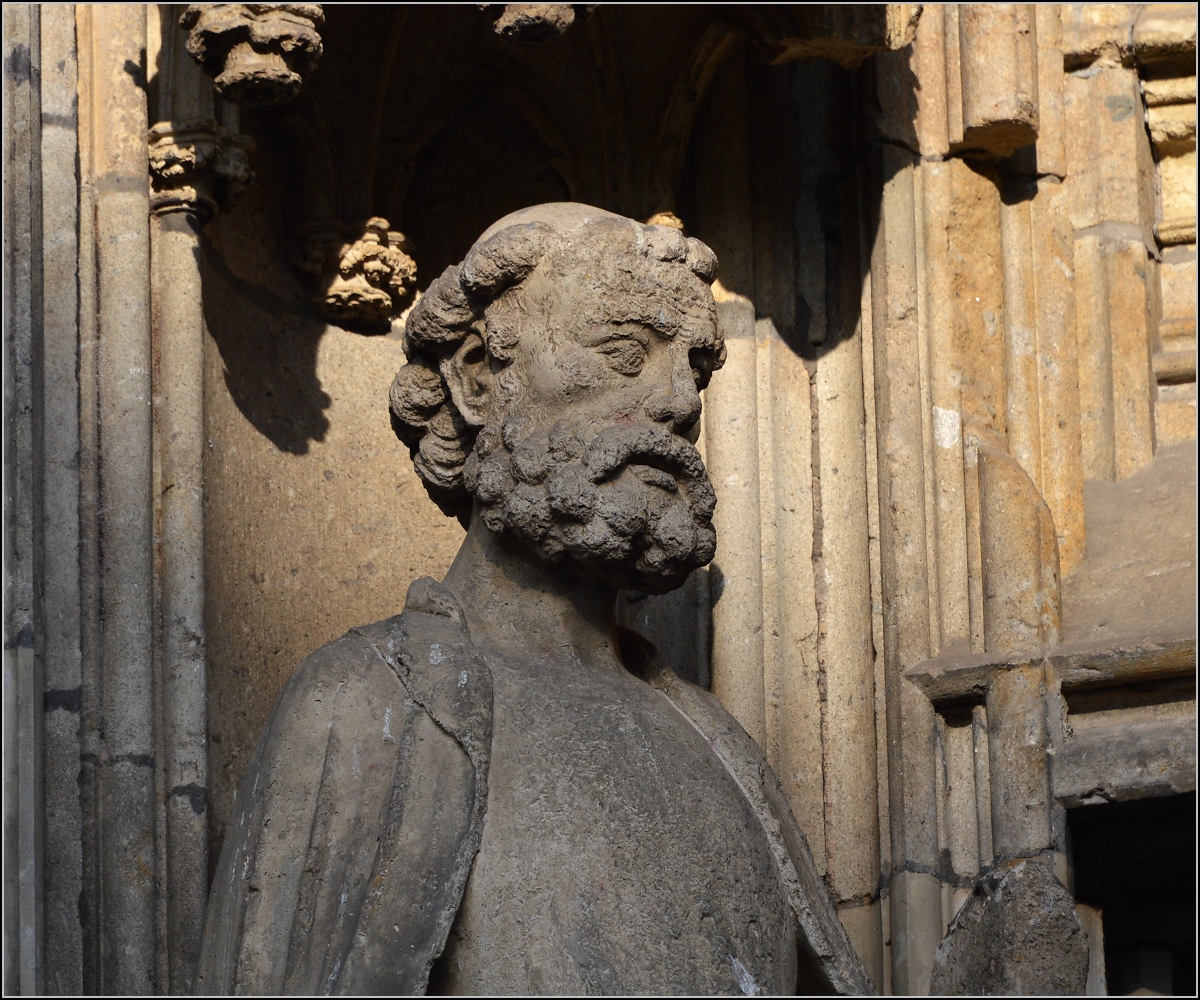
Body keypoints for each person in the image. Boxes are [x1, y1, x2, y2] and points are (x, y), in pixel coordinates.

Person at [195, 203, 872, 996]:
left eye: (693, 370)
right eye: (625, 354)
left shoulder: (720, 747)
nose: (679, 403)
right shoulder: (366, 700)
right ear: (478, 376)